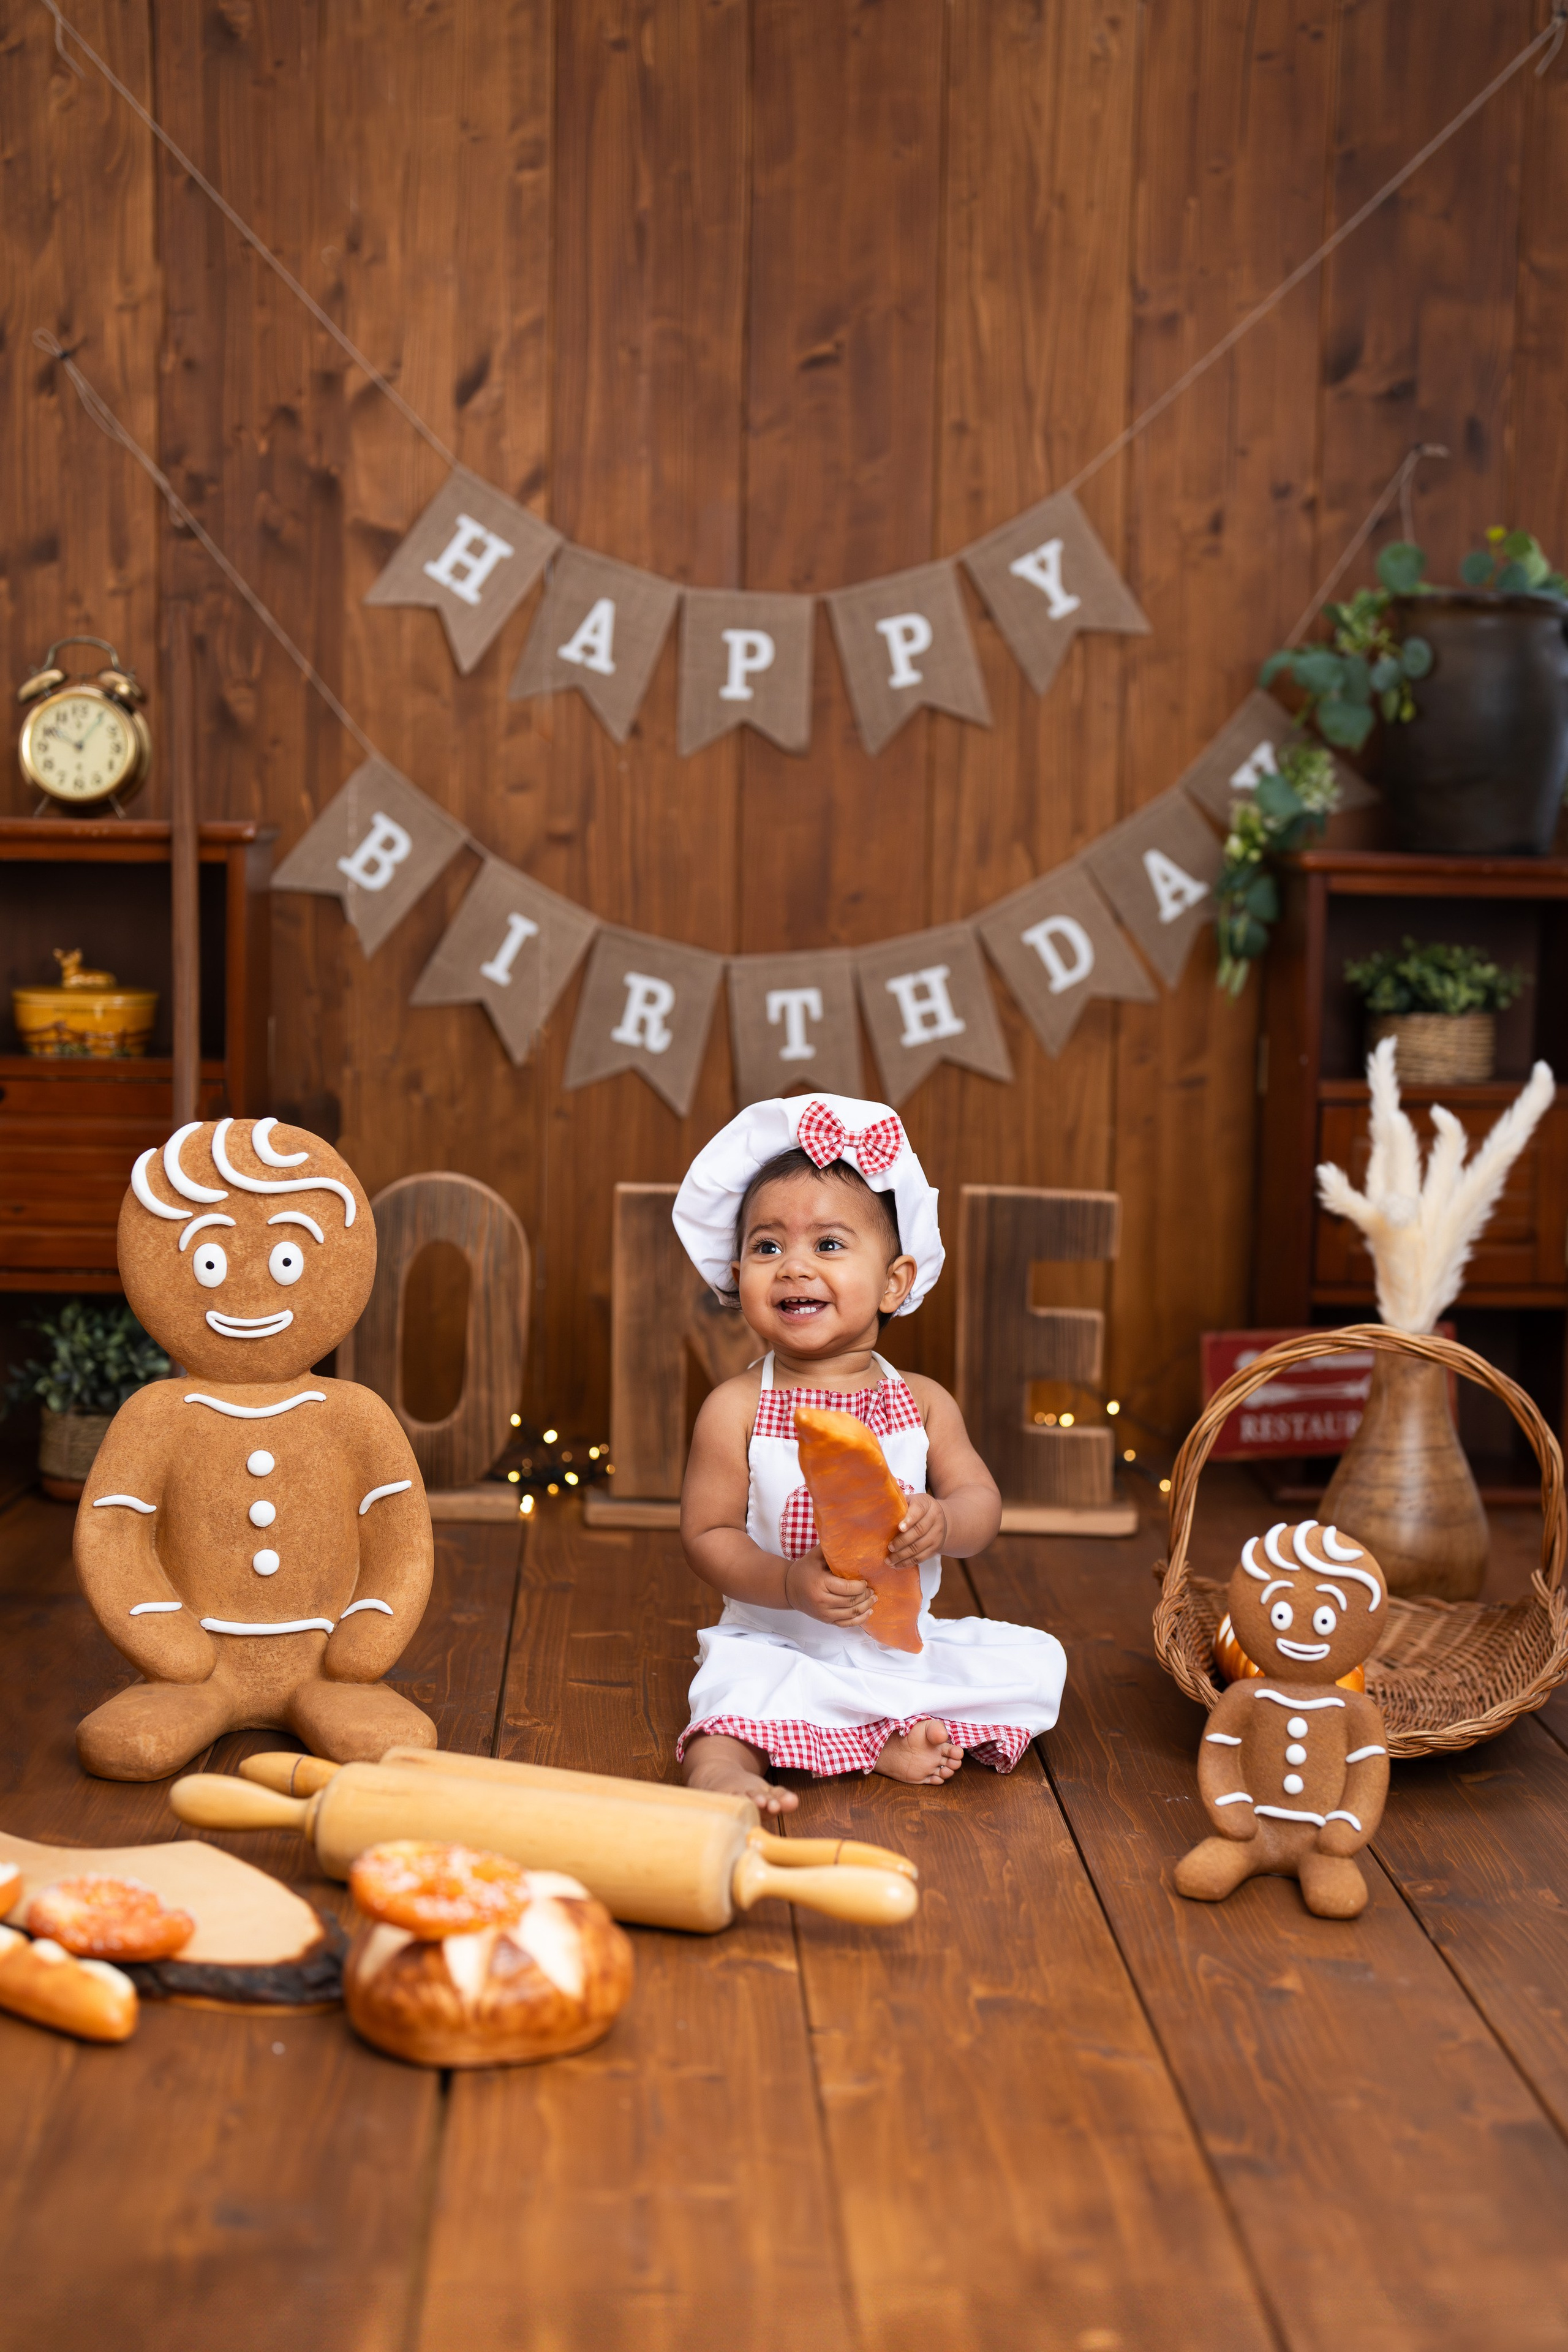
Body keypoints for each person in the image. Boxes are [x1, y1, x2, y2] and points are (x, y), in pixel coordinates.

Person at [673, 1093, 1066, 1815]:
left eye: (827, 1245)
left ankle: (881, 1734)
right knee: (734, 1693)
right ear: (735, 1275)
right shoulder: (737, 1407)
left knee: (1038, 1662)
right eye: (767, 1247)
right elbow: (707, 1535)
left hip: (894, 1641)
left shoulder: (921, 1402)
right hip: (777, 1639)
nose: (793, 1267)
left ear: (894, 1282)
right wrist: (788, 1584)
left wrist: (944, 1521)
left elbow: (981, 1506)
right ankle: (722, 1770)